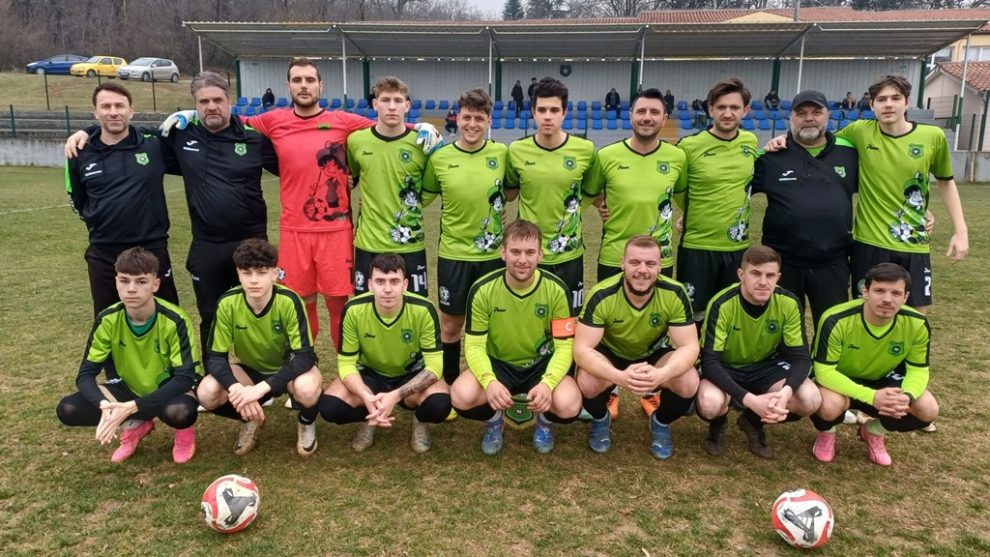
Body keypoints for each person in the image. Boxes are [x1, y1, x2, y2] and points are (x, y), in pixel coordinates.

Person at [161, 58, 441, 352]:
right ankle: (304, 365)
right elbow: (232, 120)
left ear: (320, 85)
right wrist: (193, 114)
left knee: (338, 307)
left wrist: (418, 125)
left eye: (309, 80)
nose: (304, 86)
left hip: (335, 232)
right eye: (297, 80)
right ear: (289, 86)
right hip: (294, 231)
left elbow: (385, 124)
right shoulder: (272, 120)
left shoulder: (343, 121)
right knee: (301, 304)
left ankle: (346, 368)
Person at [65, 73, 281, 360]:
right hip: (206, 245)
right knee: (210, 315)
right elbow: (121, 131)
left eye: (218, 100)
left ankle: (268, 372)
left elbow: (291, 167)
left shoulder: (254, 139)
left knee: (261, 310)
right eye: (203, 102)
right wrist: (89, 131)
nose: (211, 106)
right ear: (195, 105)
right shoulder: (181, 136)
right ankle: (213, 375)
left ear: (230, 101)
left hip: (252, 241)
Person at [586, 88, 685, 418]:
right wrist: (601, 206)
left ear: (664, 118)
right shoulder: (607, 155)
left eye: (654, 112)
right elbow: (591, 191)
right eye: (641, 111)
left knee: (654, 330)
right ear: (630, 115)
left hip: (660, 260)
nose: (647, 117)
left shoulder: (677, 157)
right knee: (610, 329)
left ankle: (650, 389)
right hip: (614, 256)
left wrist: (683, 217)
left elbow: (684, 195)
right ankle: (611, 390)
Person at [56, 247, 200, 464]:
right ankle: (137, 423)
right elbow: (85, 375)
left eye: (141, 282)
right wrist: (104, 405)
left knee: (180, 412)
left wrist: (131, 407)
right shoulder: (108, 319)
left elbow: (184, 378)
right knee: (68, 409)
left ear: (155, 284)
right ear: (116, 282)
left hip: (169, 391)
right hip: (129, 389)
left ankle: (183, 430)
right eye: (124, 281)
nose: (131, 289)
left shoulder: (175, 319)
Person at [451, 220, 582, 455]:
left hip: (540, 365)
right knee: (461, 396)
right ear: (503, 252)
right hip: (499, 364)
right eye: (515, 252)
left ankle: (544, 422)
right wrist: (489, 381)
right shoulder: (483, 289)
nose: (523, 259)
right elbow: (474, 346)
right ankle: (495, 420)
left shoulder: (557, 289)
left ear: (540, 254)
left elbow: (564, 347)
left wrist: (548, 383)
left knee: (569, 404)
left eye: (530, 252)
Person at [573, 236, 700, 459]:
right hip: (611, 353)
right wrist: (618, 377)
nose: (642, 270)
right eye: (634, 262)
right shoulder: (602, 293)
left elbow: (690, 347)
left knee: (688, 381)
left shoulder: (675, 293)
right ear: (622, 263)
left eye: (650, 263)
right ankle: (601, 418)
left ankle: (661, 422)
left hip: (653, 354)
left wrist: (662, 374)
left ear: (660, 266)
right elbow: (581, 350)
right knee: (586, 381)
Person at [196, 239, 323, 457]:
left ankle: (306, 422)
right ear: (238, 274)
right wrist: (236, 389)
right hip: (250, 370)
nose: (254, 280)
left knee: (307, 389)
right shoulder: (227, 303)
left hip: (289, 370)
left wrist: (260, 389)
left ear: (275, 274)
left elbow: (304, 357)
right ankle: (249, 418)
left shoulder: (289, 301)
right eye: (247, 273)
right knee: (207, 393)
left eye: (262, 272)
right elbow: (215, 357)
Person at [695, 246, 821, 459]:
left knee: (810, 400)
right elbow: (710, 362)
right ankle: (718, 423)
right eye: (755, 273)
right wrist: (749, 399)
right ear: (741, 275)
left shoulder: (788, 302)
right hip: (726, 366)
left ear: (778, 277)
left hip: (766, 366)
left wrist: (785, 393)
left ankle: (752, 421)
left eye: (770, 275)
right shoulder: (722, 303)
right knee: (710, 403)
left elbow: (801, 358)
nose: (763, 282)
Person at [65, 83, 180, 317]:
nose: (113, 112)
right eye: (106, 106)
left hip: (151, 246)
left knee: (165, 316)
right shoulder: (80, 152)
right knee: (108, 318)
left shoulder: (153, 144)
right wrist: (98, 220)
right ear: (95, 112)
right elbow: (77, 199)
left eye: (119, 106)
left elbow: (195, 136)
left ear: (131, 111)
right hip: (104, 250)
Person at [318, 253, 451, 453]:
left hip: (411, 373)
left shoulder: (423, 309)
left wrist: (395, 396)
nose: (387, 289)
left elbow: (435, 367)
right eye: (380, 281)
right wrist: (366, 396)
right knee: (330, 407)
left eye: (394, 281)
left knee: (440, 404)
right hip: (370, 374)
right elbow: (346, 364)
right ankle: (370, 416)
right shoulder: (353, 309)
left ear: (405, 285)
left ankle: (420, 420)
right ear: (370, 285)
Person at [809, 263, 938, 466]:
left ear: (905, 297)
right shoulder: (836, 319)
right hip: (838, 381)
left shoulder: (917, 323)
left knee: (928, 408)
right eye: (879, 291)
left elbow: (918, 370)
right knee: (828, 405)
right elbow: (824, 372)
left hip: (881, 380)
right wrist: (871, 397)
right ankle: (827, 431)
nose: (887, 299)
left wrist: (906, 396)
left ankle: (873, 431)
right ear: (865, 291)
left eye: (896, 293)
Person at [422, 89, 508, 387]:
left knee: (493, 324)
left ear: (489, 121)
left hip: (493, 256)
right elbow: (423, 198)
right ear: (457, 118)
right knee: (451, 324)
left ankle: (491, 383)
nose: (472, 124)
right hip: (453, 255)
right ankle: (449, 383)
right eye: (467, 117)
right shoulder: (440, 158)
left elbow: (512, 191)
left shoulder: (501, 153)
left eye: (479, 118)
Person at [750, 90, 858, 327]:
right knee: (781, 328)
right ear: (791, 117)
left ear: (827, 115)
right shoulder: (769, 156)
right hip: (782, 262)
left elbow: (881, 187)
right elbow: (734, 191)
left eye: (816, 112)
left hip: (833, 261)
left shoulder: (850, 152)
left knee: (833, 328)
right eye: (801, 113)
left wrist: (924, 210)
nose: (809, 118)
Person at [506, 77, 597, 316]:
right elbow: (509, 193)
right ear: (533, 112)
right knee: (528, 317)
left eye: (554, 110)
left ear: (564, 112)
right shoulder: (516, 150)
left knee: (567, 320)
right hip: (528, 254)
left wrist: (575, 213)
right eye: (542, 110)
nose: (548, 116)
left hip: (569, 254)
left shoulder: (585, 150)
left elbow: (592, 191)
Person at [673, 77, 759, 322]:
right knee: (694, 316)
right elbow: (677, 189)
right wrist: (688, 213)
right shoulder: (689, 146)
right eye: (721, 107)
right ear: (710, 109)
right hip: (698, 247)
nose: (727, 113)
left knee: (730, 315)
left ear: (745, 110)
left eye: (734, 107)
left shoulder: (750, 142)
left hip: (736, 248)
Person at [348, 76, 430, 297]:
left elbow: (430, 191)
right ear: (375, 104)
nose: (392, 106)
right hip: (369, 242)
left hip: (410, 244)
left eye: (398, 100)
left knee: (415, 307)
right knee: (366, 306)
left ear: (407, 105)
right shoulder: (356, 141)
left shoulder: (422, 143)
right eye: (385, 100)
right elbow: (352, 176)